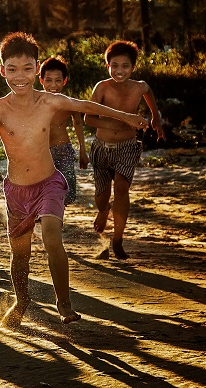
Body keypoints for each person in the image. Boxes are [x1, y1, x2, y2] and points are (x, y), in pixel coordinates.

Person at [0, 32, 148, 328]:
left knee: (52, 237)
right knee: (20, 256)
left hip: (48, 184)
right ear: (2, 70)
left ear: (37, 68)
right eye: (12, 70)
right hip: (16, 191)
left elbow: (87, 107)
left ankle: (64, 304)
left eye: (28, 69)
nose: (20, 77)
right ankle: (21, 300)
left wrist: (127, 117)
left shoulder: (49, 102)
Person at [84, 40, 165, 260]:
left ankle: (118, 239)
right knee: (101, 198)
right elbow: (88, 118)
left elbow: (148, 92)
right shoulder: (102, 87)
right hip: (102, 148)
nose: (120, 71)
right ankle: (103, 210)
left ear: (133, 67)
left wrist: (155, 118)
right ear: (107, 66)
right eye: (115, 65)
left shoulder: (139, 86)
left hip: (128, 147)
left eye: (125, 66)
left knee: (121, 187)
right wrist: (117, 123)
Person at [39, 56, 89, 205]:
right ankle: (44, 214)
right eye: (48, 80)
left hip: (63, 150)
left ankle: (56, 216)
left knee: (66, 190)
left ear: (64, 81)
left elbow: (78, 123)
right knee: (42, 187)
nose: (53, 85)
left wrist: (82, 150)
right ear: (41, 81)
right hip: (41, 151)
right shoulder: (36, 102)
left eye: (58, 80)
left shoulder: (69, 103)